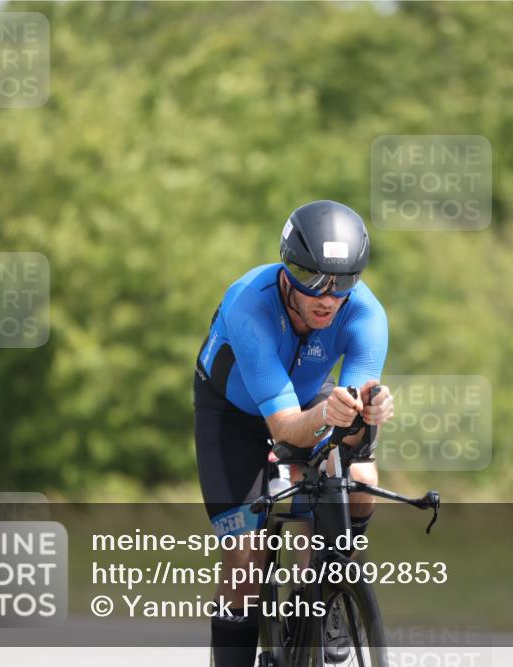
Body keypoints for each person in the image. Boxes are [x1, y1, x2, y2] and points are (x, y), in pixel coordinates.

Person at [193, 200, 394, 666]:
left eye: (343, 281)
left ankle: (325, 589)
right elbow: (285, 429)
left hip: (308, 397)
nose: (327, 296)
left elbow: (350, 432)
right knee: (246, 555)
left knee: (360, 482)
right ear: (288, 270)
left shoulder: (366, 314)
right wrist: (332, 414)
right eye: (314, 279)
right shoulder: (250, 303)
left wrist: (368, 412)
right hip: (233, 413)